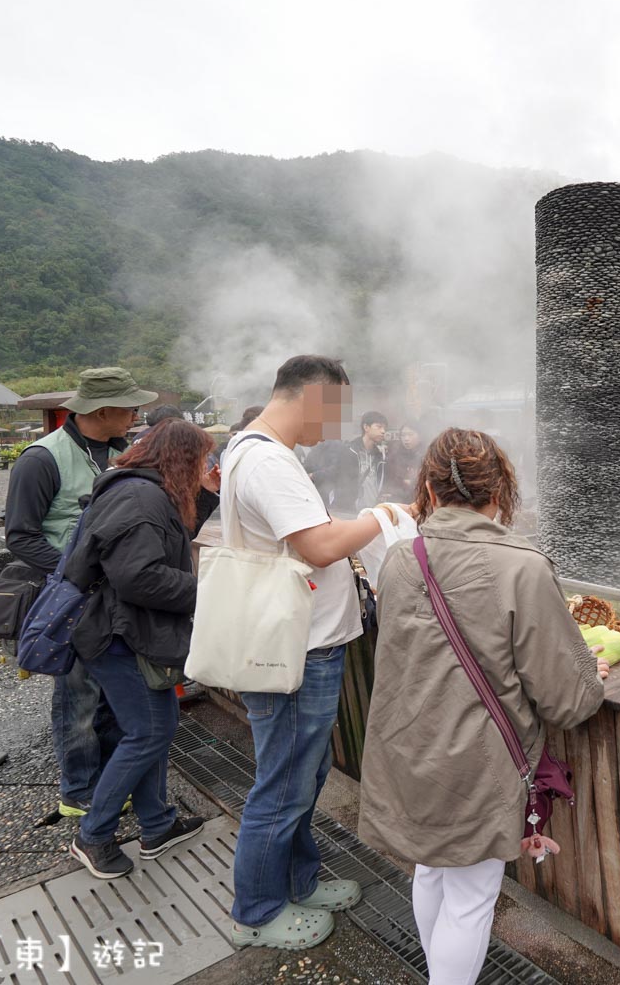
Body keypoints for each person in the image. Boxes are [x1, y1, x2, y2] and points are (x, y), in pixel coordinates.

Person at [360, 428, 606, 984]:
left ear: (429, 489)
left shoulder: (400, 559)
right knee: (471, 899)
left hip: (406, 750)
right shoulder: (522, 565)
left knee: (429, 871)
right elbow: (568, 700)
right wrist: (591, 674)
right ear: (500, 491)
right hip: (476, 767)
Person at [225, 356, 391, 951]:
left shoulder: (255, 449)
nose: (338, 424)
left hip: (299, 644)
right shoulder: (269, 461)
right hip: (297, 650)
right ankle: (257, 911)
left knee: (303, 775)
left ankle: (299, 881)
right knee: (284, 786)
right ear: (313, 396)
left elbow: (303, 533)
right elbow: (319, 547)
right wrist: (383, 517)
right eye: (337, 409)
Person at [63, 419, 219, 879]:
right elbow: (139, 577)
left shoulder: (145, 490)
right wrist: (210, 592)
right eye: (202, 461)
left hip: (127, 632)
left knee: (154, 728)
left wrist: (206, 495)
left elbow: (168, 534)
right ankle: (92, 836)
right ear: (180, 459)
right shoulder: (138, 497)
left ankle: (158, 824)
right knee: (148, 732)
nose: (206, 467)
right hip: (119, 636)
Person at [4, 367, 158, 817]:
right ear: (102, 410)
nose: (136, 414)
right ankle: (79, 790)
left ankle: (111, 781)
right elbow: (20, 536)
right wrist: (76, 573)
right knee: (78, 698)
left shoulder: (126, 452)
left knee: (113, 695)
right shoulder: (41, 458)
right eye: (129, 406)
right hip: (72, 600)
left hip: (117, 597)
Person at [305, 410, 388, 513]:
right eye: (379, 427)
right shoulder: (349, 450)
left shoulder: (381, 455)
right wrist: (313, 476)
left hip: (372, 510)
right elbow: (334, 471)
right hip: (349, 510)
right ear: (366, 427)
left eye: (384, 428)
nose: (383, 431)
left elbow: (382, 481)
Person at [383, 421, 424, 503]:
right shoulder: (394, 457)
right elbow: (389, 482)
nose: (406, 439)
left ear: (420, 436)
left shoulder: (427, 455)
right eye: (403, 435)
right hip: (398, 501)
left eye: (410, 434)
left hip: (420, 501)